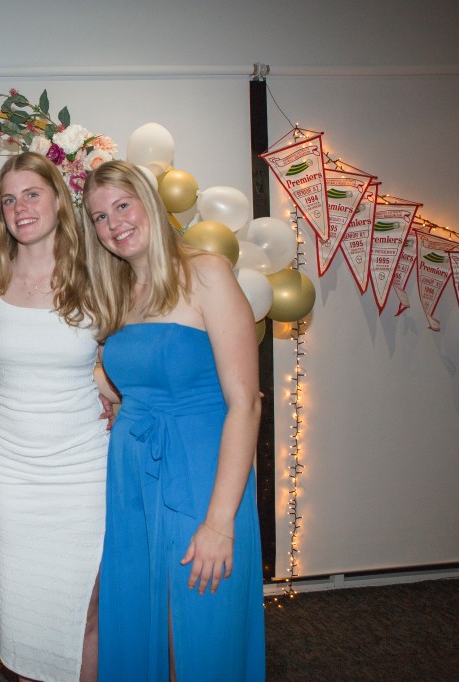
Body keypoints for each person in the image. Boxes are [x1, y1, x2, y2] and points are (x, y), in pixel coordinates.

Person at [82, 160, 265, 681]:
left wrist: (219, 523)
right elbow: (130, 379)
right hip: (132, 479)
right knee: (142, 623)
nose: (113, 223)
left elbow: (246, 403)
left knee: (198, 629)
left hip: (201, 476)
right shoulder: (120, 293)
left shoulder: (206, 272)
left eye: (122, 205)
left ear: (150, 202)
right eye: (99, 216)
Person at [0, 151, 112, 682]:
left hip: (84, 466)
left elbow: (129, 353)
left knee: (86, 606)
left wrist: (107, 382)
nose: (20, 207)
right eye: (9, 199)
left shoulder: (98, 274)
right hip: (14, 470)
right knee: (27, 612)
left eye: (32, 194)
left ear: (58, 199)